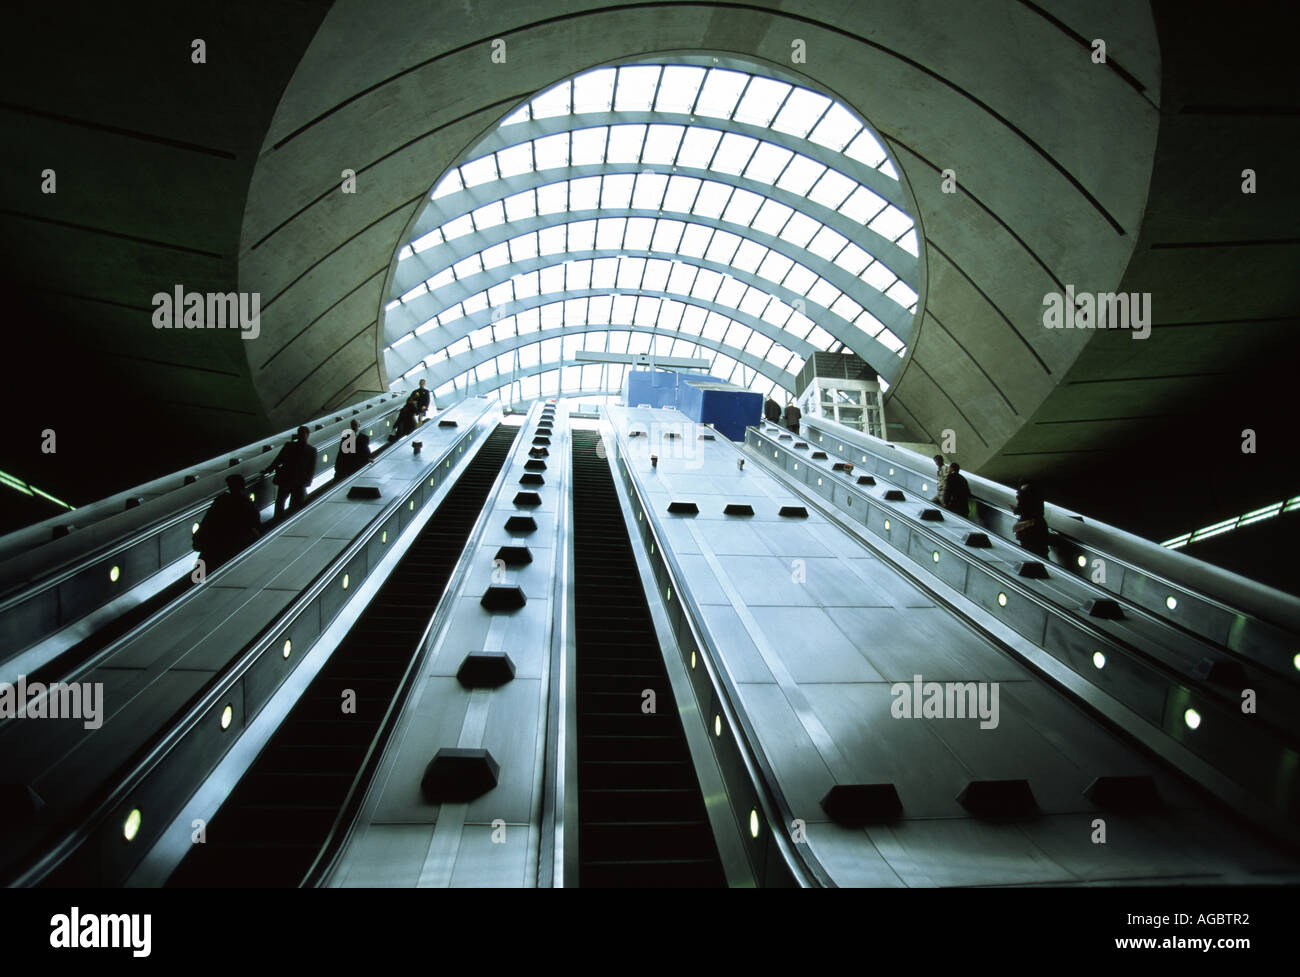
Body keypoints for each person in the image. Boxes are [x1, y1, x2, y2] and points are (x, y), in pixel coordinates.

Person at [193, 473, 261, 571]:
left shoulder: (221, 500)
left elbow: (207, 521)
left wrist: (199, 536)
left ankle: (197, 583)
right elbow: (255, 525)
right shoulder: (248, 505)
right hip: (235, 545)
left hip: (213, 543)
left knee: (201, 571)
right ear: (243, 486)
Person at [266, 425, 317, 517]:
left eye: (303, 434)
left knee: (282, 502)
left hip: (290, 480)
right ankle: (283, 519)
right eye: (301, 434)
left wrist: (269, 470)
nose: (302, 436)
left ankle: (278, 519)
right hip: (295, 481)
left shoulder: (290, 446)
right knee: (289, 503)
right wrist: (307, 482)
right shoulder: (311, 450)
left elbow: (278, 460)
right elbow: (311, 468)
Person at [1013, 481, 1050, 557]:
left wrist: (1016, 510)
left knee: (1032, 551)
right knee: (1040, 552)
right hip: (1038, 528)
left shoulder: (1026, 495)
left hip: (1030, 529)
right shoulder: (1037, 498)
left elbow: (1021, 508)